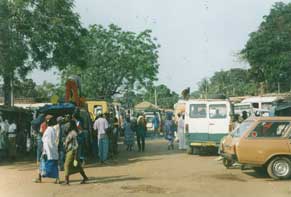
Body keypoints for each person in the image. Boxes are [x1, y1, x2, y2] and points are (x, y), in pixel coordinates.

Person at [34, 115, 59, 184]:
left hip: (47, 150)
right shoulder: (53, 129)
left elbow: (46, 140)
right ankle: (57, 178)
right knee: (53, 165)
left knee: (43, 164)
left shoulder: (48, 129)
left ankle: (40, 178)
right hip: (52, 149)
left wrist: (45, 150)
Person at [64, 120, 88, 185]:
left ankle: (66, 181)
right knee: (77, 165)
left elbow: (68, 141)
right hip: (75, 151)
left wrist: (66, 144)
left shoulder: (73, 133)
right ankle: (85, 177)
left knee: (67, 165)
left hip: (72, 150)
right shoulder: (75, 132)